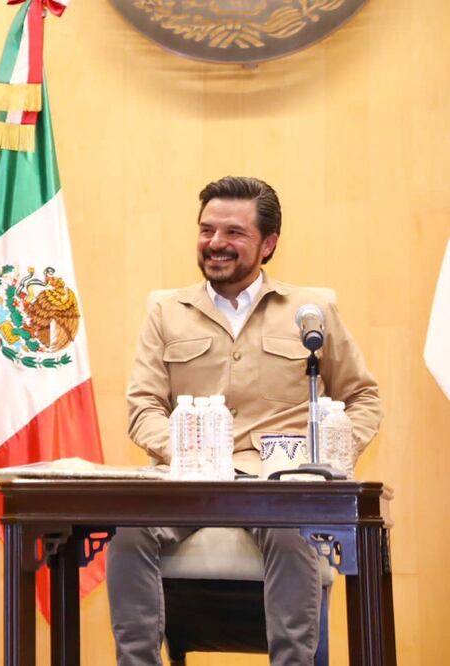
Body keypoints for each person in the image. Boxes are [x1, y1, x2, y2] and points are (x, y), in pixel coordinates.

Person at [107, 176, 382, 665]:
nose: (216, 243)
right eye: (206, 230)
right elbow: (144, 408)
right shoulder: (166, 311)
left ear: (268, 243)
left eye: (233, 233)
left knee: (292, 531)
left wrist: (332, 455)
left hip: (276, 483)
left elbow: (362, 397)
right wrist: (189, 456)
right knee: (128, 532)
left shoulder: (310, 312)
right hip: (188, 481)